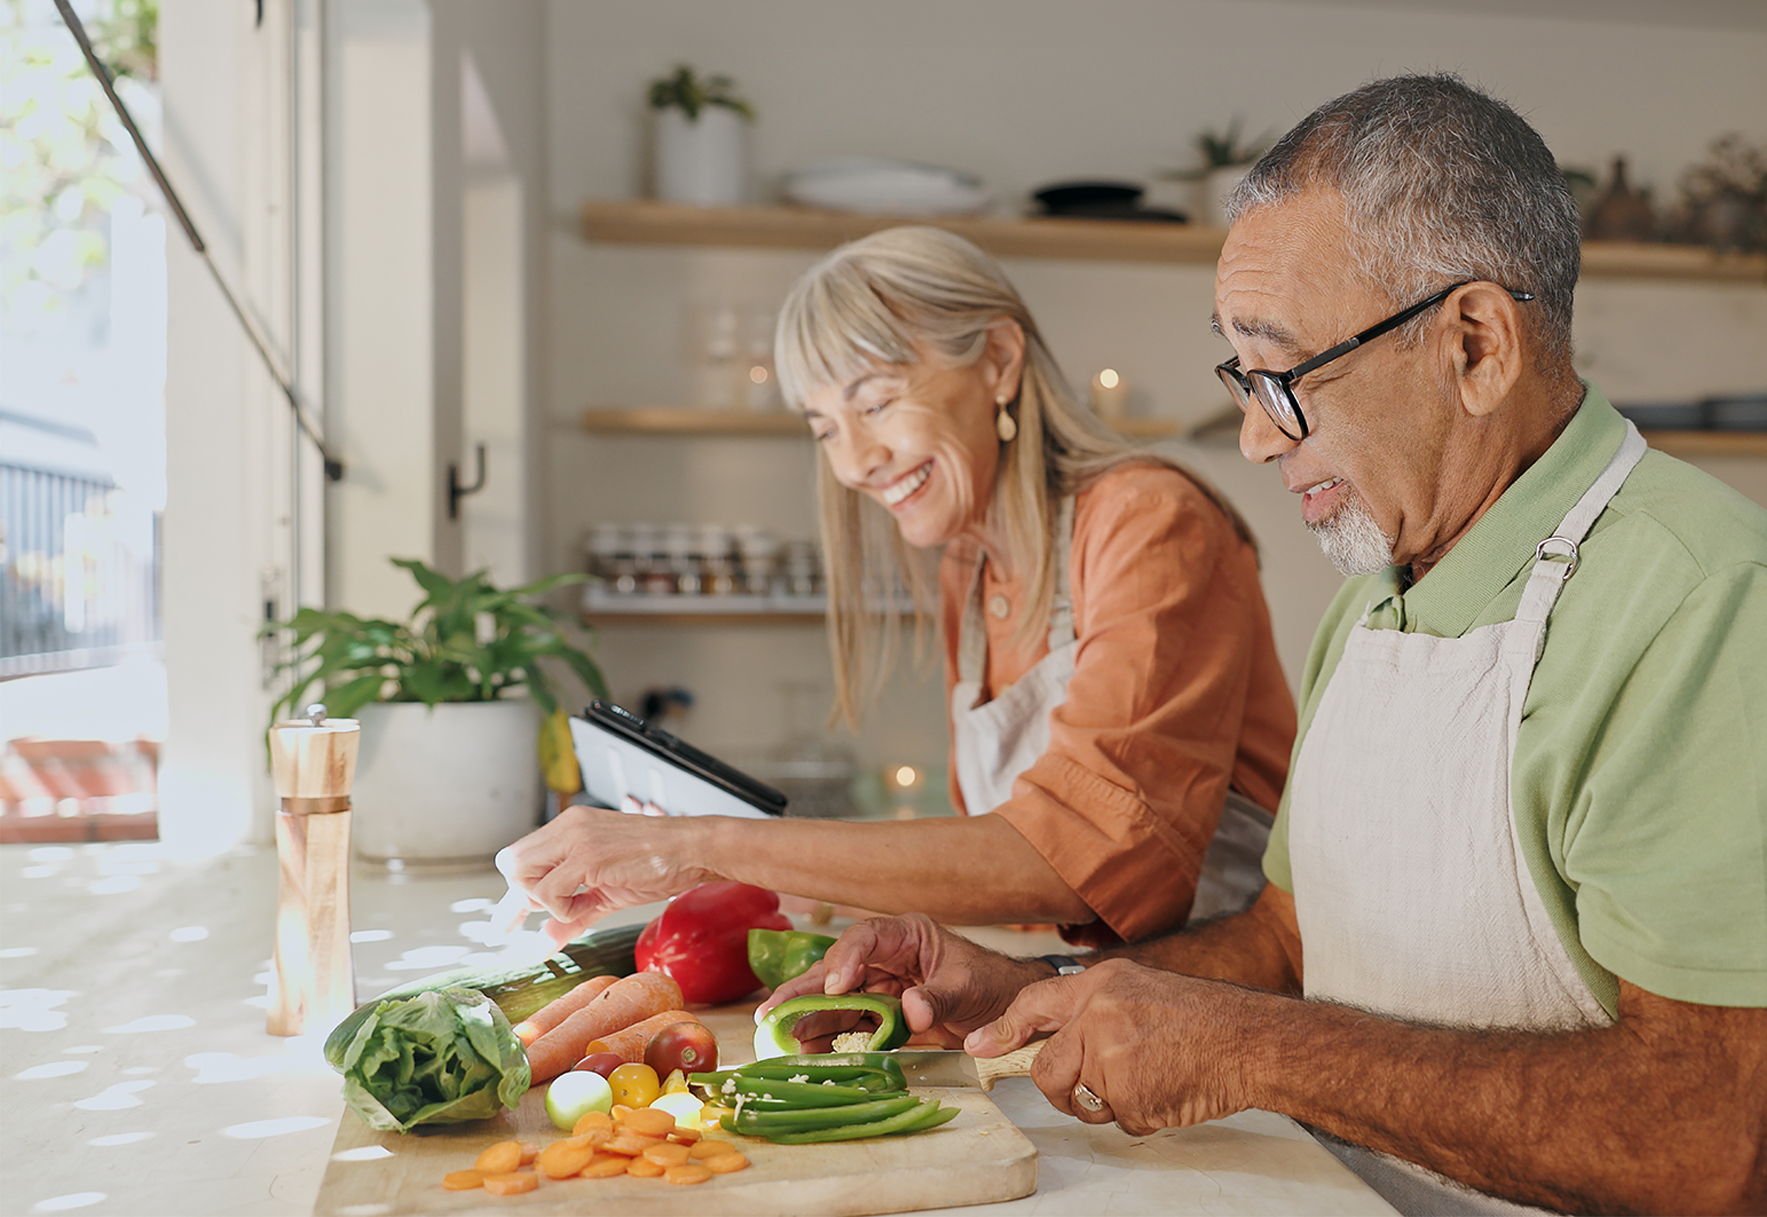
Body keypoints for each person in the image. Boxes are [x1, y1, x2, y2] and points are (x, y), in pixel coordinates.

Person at [764, 76, 1767, 1216]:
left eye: (1284, 375)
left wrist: (1251, 1050)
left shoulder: (1709, 610)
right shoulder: (1372, 604)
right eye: (1241, 377)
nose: (1257, 437)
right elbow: (1284, 940)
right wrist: (1037, 988)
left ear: (1473, 344)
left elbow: (1700, 1148)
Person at [504, 226, 1293, 948]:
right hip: (1087, 1001)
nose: (851, 464)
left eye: (876, 402)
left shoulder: (1152, 521)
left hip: (1221, 1020)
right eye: (823, 428)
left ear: (998, 360)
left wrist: (701, 844)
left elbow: (1075, 856)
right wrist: (709, 866)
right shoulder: (969, 563)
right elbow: (1007, 877)